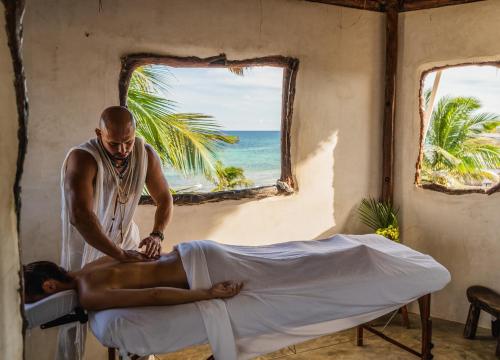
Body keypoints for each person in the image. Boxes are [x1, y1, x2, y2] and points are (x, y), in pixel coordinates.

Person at [58, 106, 173, 359]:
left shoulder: (146, 155)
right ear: (99, 134)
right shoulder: (83, 158)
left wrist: (157, 234)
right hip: (87, 246)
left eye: (128, 142)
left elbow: (165, 198)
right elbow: (81, 217)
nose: (122, 150)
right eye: (114, 144)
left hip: (127, 241)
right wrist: (117, 254)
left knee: (133, 309)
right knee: (72, 317)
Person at [23, 250, 243, 310]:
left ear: (49, 286)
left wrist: (208, 293)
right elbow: (142, 256)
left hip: (199, 270)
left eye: (35, 301)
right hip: (192, 251)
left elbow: (153, 295)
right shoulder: (92, 265)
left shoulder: (89, 295)